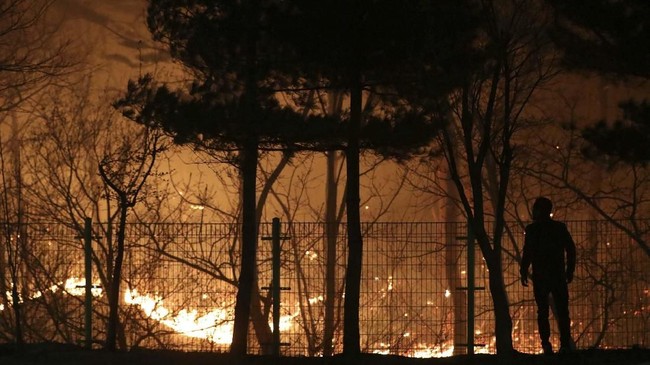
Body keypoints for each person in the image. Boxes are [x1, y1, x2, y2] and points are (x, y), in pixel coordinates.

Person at [520, 197, 576, 355]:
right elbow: (570, 249)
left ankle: (546, 345)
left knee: (542, 312)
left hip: (541, 276)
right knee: (563, 311)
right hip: (557, 275)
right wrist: (569, 270)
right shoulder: (559, 228)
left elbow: (528, 252)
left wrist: (524, 270)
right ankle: (564, 345)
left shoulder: (532, 230)